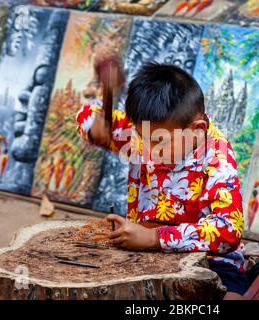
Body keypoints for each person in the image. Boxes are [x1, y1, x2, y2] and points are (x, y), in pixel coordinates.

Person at [75, 62, 248, 299]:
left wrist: (155, 238)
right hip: (143, 253)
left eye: (160, 142)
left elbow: (228, 230)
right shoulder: (146, 134)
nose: (147, 149)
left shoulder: (218, 158)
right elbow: (86, 115)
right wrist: (97, 125)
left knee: (230, 297)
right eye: (141, 137)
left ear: (197, 129)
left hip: (209, 260)